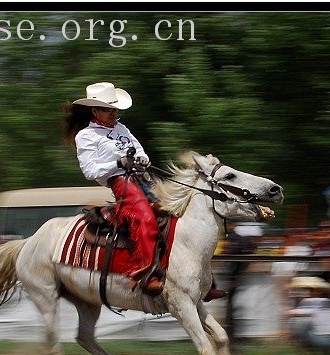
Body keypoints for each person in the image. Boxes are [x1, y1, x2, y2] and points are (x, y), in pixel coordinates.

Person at [64, 81, 225, 300]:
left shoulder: (122, 128)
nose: (114, 113)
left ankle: (204, 280)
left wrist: (142, 158)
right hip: (120, 181)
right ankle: (146, 275)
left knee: (179, 213)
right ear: (95, 111)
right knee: (145, 218)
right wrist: (119, 164)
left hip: (143, 177)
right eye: (109, 110)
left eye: (115, 109)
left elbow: (140, 150)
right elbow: (90, 171)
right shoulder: (86, 136)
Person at [286, 276, 330, 355]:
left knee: (298, 322)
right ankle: (328, 354)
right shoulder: (328, 303)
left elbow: (298, 312)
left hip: (319, 339)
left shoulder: (311, 301)